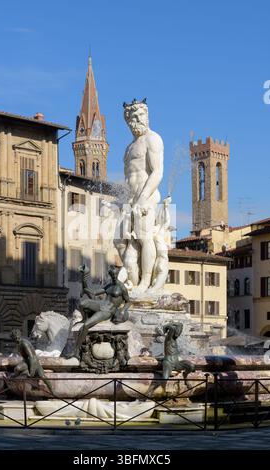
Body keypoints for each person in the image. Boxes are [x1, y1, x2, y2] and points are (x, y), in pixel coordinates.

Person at [116, 99, 164, 294]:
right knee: (119, 240)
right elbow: (129, 176)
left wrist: (143, 198)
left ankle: (145, 283)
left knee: (144, 238)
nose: (136, 120)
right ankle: (132, 281)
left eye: (140, 115)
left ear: (147, 115)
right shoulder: (129, 148)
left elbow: (157, 172)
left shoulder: (152, 139)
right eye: (132, 118)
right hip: (130, 200)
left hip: (147, 196)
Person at [72, 265, 130, 359]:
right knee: (82, 303)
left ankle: (75, 351)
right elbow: (93, 293)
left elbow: (128, 301)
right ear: (110, 275)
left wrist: (123, 310)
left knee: (86, 325)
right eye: (112, 275)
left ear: (117, 274)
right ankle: (84, 318)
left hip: (108, 310)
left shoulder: (122, 288)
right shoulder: (109, 286)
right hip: (101, 304)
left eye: (115, 274)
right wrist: (84, 280)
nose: (114, 276)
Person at [10, 328, 53, 393]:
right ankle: (18, 377)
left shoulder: (24, 343)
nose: (16, 338)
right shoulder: (18, 344)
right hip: (27, 361)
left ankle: (52, 390)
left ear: (19, 335)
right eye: (14, 337)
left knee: (42, 376)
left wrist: (32, 370)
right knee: (17, 369)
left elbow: (31, 357)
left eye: (17, 336)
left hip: (34, 362)